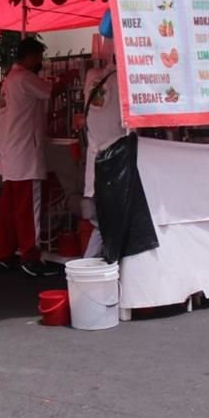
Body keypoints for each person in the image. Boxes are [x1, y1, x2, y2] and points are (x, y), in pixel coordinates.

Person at [0, 37, 63, 277]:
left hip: (11, 153)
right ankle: (30, 257)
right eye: (39, 57)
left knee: (9, 210)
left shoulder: (10, 80)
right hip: (24, 154)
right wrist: (70, 78)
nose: (40, 62)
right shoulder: (24, 78)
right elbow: (52, 91)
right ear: (31, 57)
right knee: (28, 209)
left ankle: (3, 253)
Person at [81, 20, 125, 259]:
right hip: (114, 165)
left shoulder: (92, 76)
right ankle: (107, 271)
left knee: (101, 225)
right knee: (112, 223)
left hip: (95, 166)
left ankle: (85, 274)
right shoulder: (121, 81)